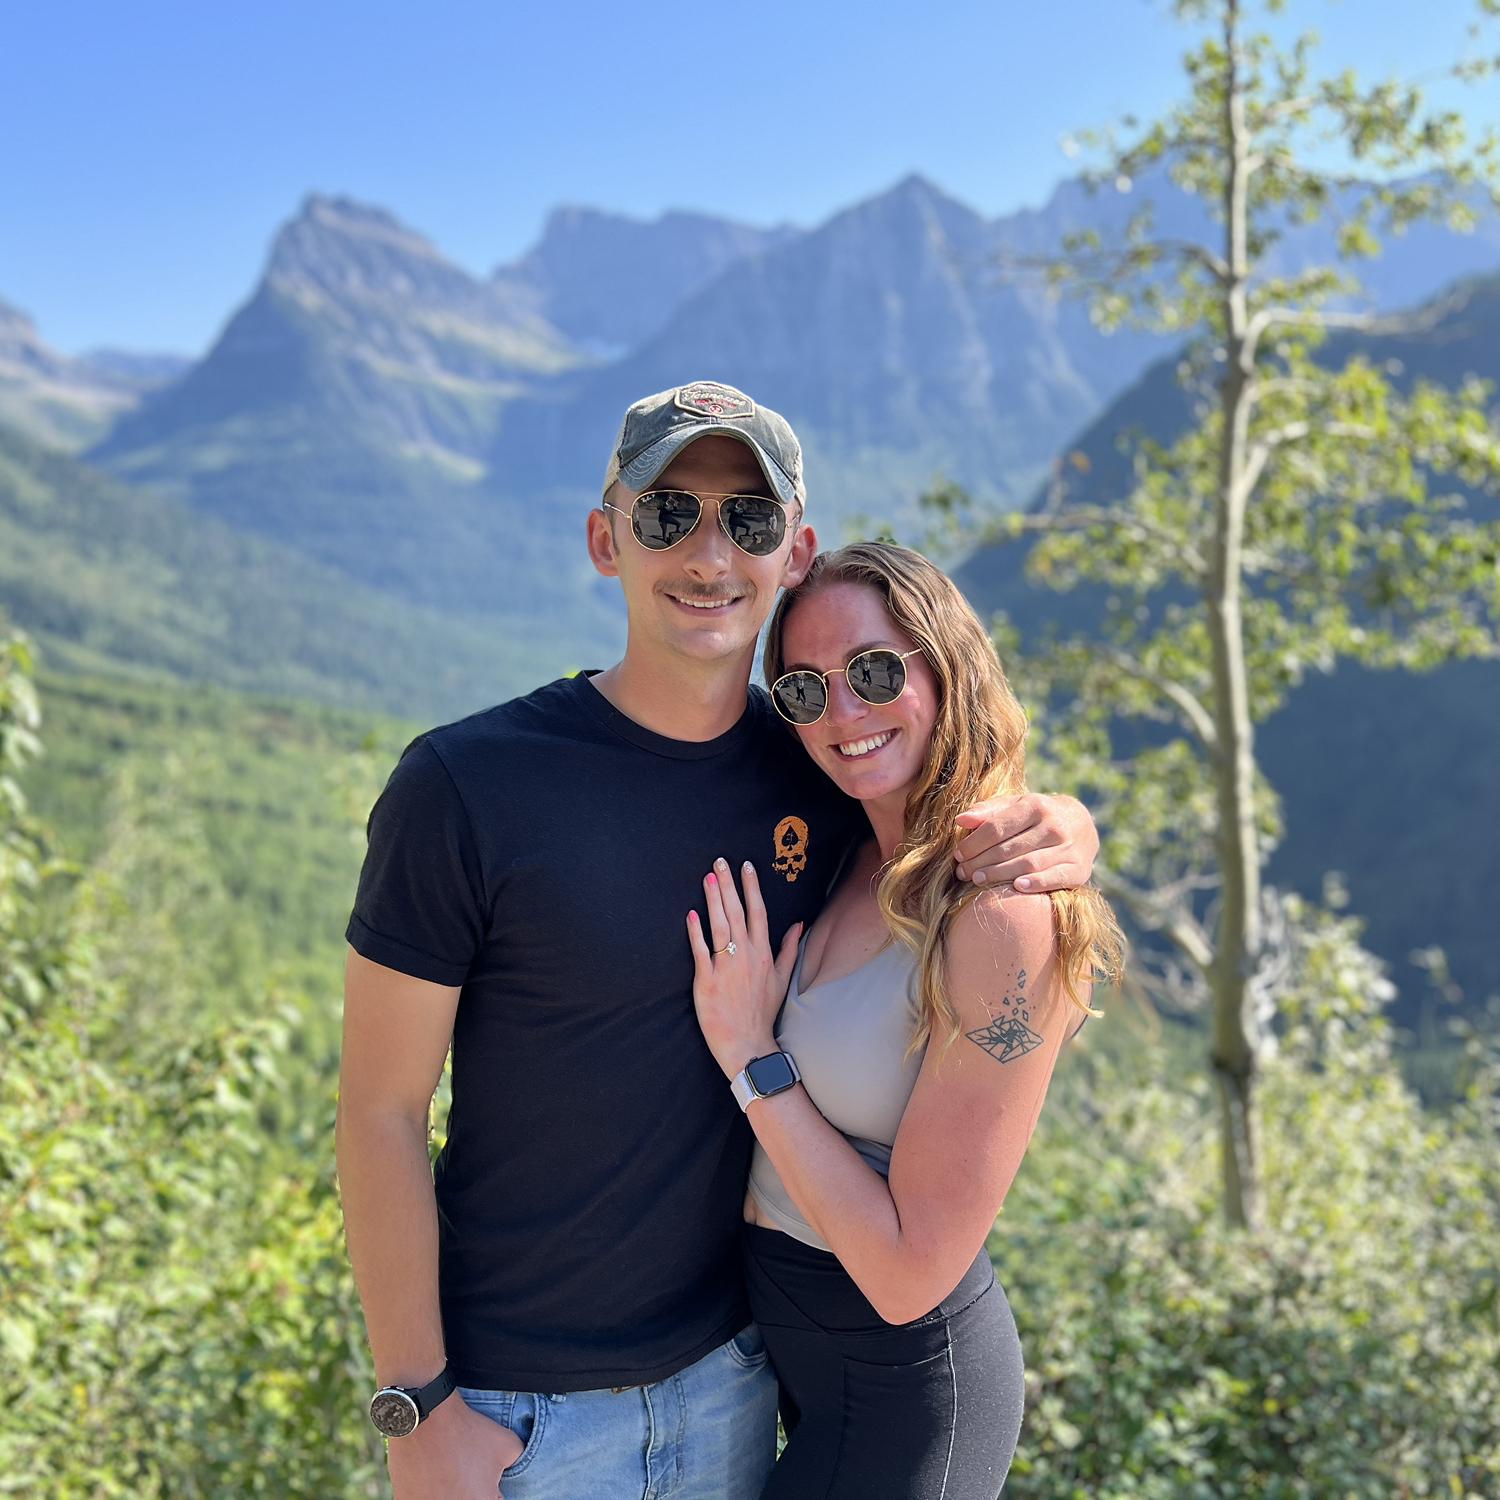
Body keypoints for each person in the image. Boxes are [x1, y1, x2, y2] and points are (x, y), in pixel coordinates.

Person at [336, 380, 1102, 1500]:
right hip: (519, 1417)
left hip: (739, 1392)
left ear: (793, 550)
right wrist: (419, 1410)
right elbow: (379, 1112)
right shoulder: (464, 788)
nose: (709, 554)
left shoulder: (817, 764)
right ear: (607, 541)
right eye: (667, 516)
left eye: (746, 520)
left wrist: (1065, 827)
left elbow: (939, 804)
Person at [687, 542, 1124, 1498]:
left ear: (946, 666)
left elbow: (907, 1275)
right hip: (797, 1360)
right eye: (805, 691)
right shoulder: (847, 839)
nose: (842, 712)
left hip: (905, 1394)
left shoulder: (996, 911)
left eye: (875, 672)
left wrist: (753, 1060)